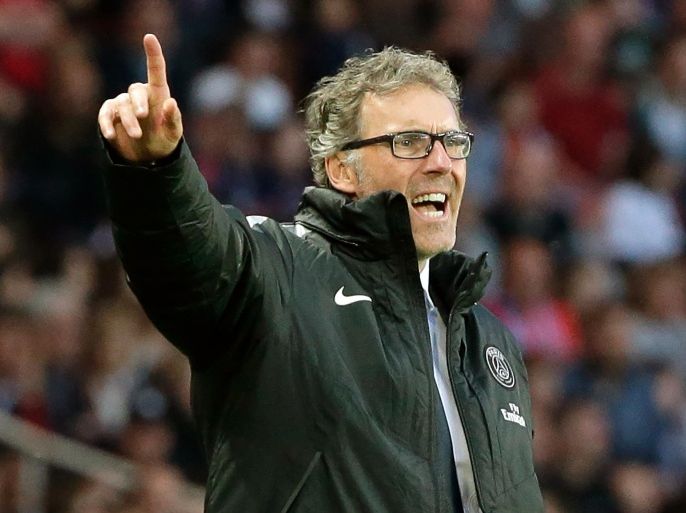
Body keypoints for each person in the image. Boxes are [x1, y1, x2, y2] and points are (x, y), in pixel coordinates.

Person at [98, 33, 543, 513]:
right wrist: (158, 169)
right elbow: (187, 255)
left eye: (453, 143)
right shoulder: (279, 271)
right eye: (409, 142)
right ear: (341, 170)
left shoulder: (488, 341)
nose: (441, 163)